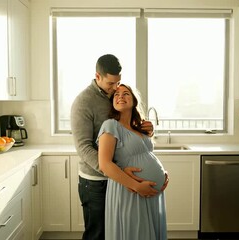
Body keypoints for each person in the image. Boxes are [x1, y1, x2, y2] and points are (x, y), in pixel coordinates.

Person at [70, 54, 156, 240]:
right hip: (96, 183)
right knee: (97, 234)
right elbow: (84, 147)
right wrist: (116, 171)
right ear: (97, 76)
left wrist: (145, 128)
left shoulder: (114, 95)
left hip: (118, 180)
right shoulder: (83, 103)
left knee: (116, 232)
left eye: (118, 83)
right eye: (111, 84)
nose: (116, 88)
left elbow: (124, 129)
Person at [97, 84, 168, 240]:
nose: (120, 96)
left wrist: (163, 173)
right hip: (131, 190)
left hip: (149, 192)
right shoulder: (110, 125)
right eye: (116, 94)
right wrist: (137, 186)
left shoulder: (137, 127)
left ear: (134, 101)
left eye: (126, 93)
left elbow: (147, 155)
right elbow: (105, 164)